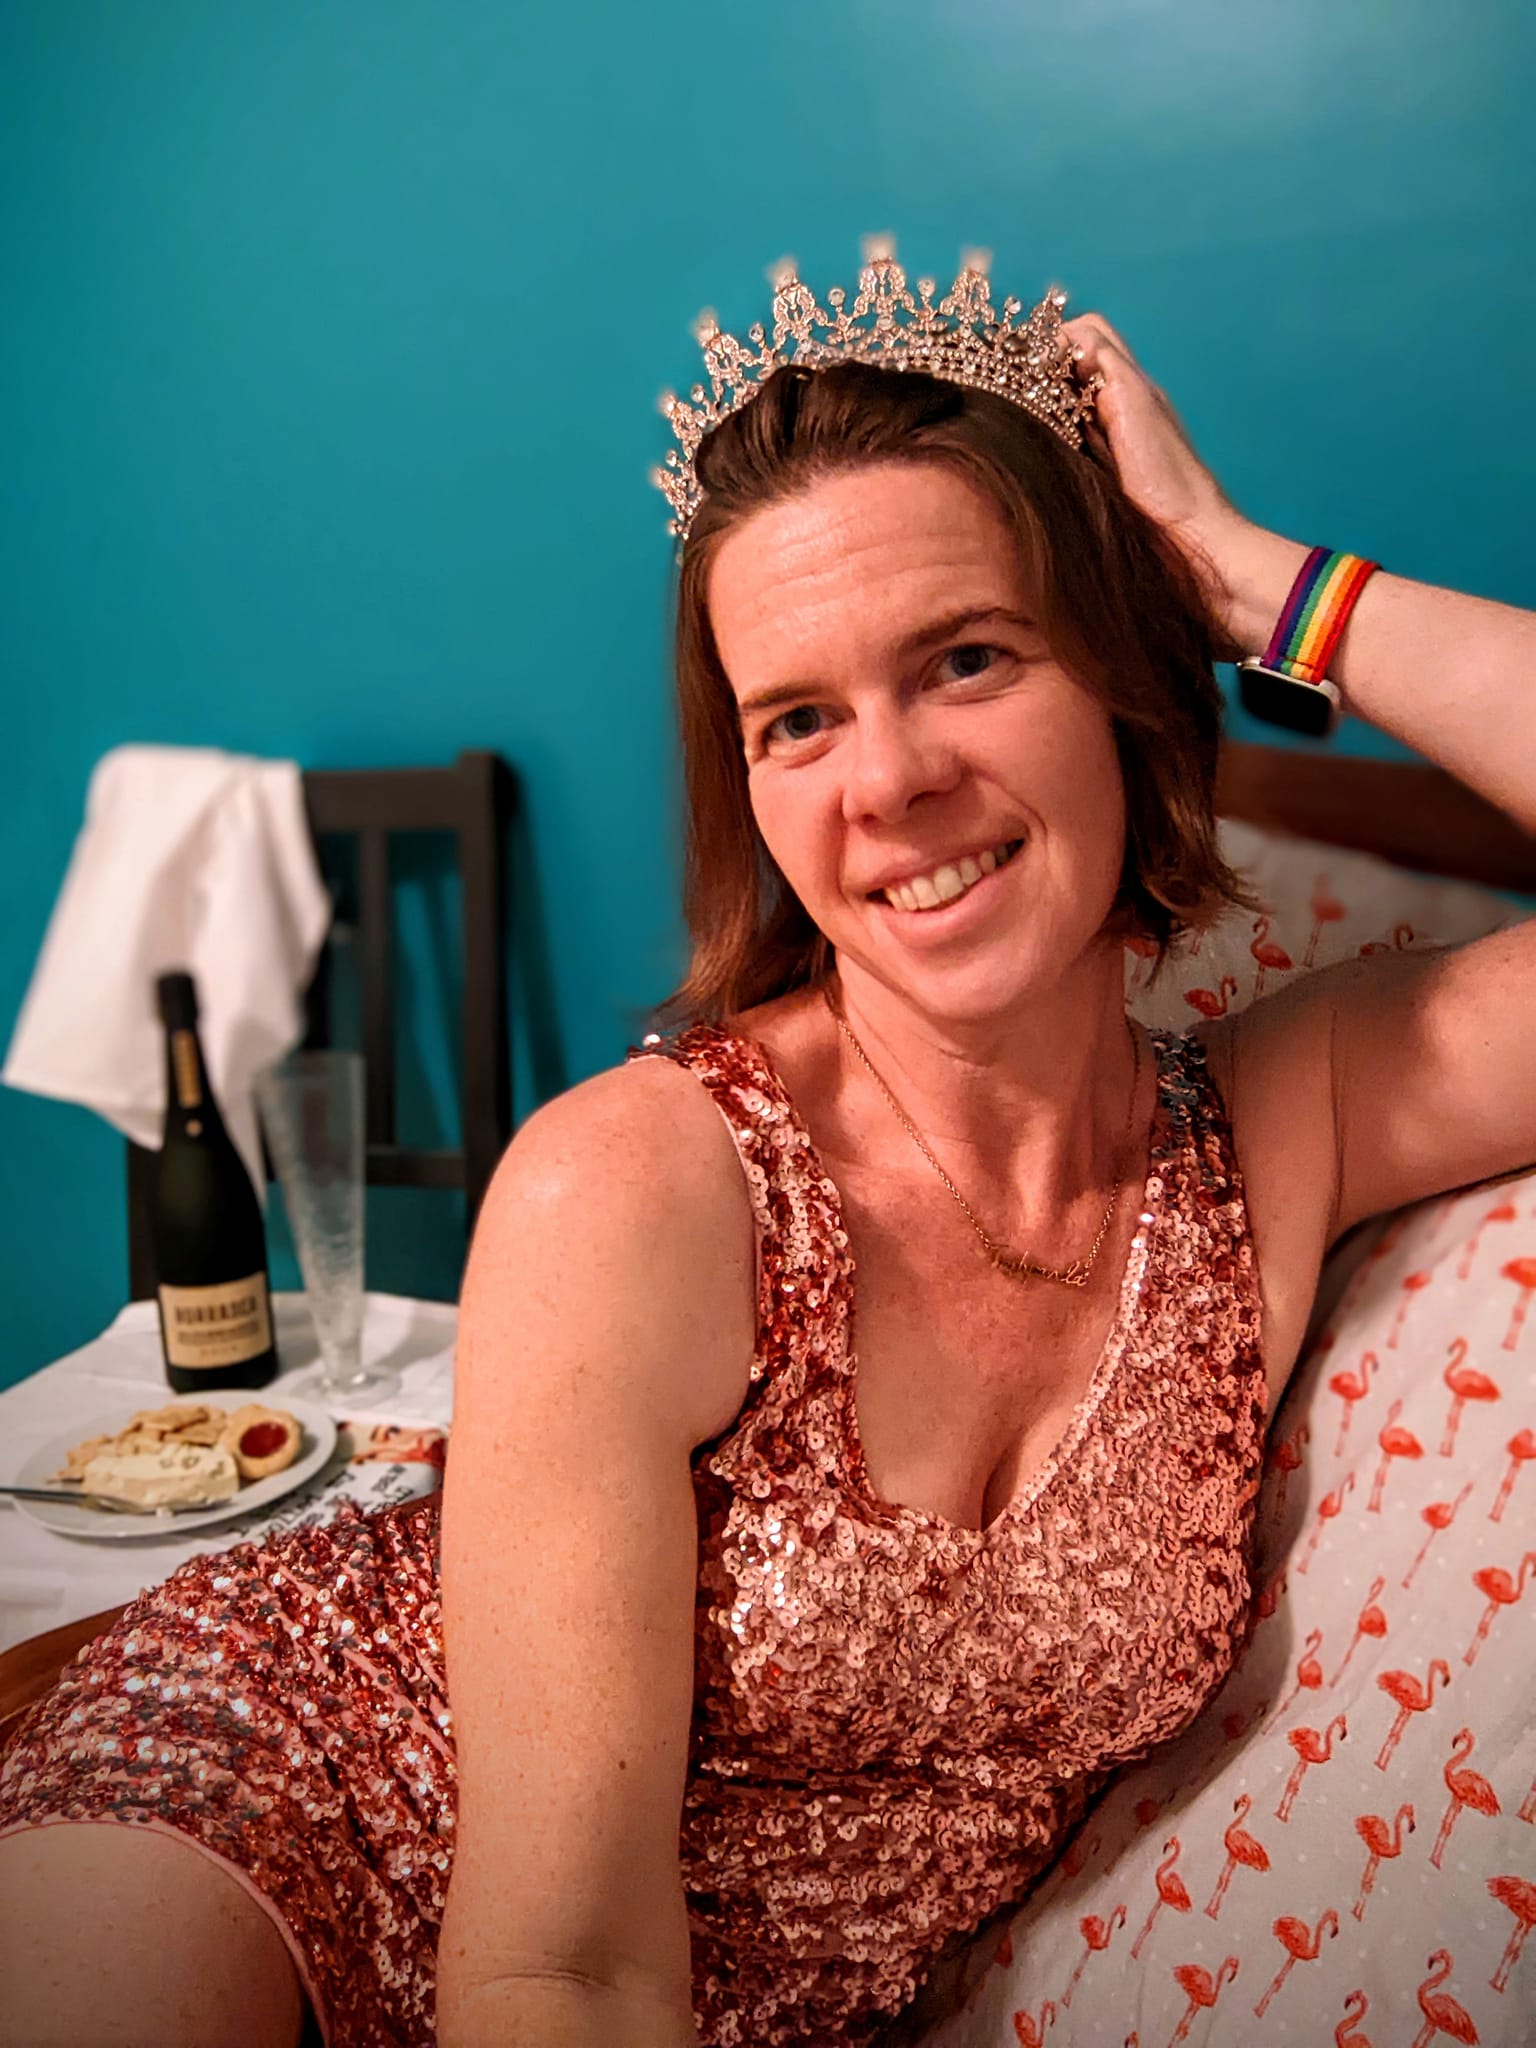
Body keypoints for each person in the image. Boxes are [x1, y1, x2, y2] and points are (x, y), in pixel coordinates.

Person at [2, 247, 1535, 2048]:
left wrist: (1252, 579)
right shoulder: (638, 1185)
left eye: (966, 659)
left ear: (1125, 684)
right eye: (795, 718)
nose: (882, 784)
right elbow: (559, 1963)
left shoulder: (1286, 1124)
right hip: (294, 1802)